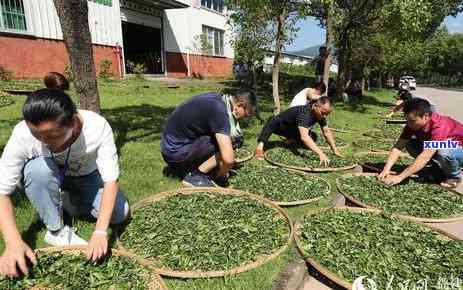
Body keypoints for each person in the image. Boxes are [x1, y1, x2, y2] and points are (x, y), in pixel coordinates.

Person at [0, 89, 130, 278]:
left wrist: (101, 232)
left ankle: (66, 202)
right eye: (36, 135)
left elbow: (110, 180)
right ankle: (56, 230)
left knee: (121, 213)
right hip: (45, 175)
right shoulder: (22, 133)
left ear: (74, 122)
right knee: (37, 169)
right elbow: (2, 191)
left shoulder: (97, 127)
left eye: (52, 136)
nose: (43, 142)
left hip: (87, 177)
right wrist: (12, 241)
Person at [161, 91, 256, 187]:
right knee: (234, 142)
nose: (244, 118)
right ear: (239, 105)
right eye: (247, 115)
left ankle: (199, 167)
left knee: (227, 141)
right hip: (175, 153)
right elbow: (228, 160)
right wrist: (220, 175)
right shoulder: (220, 112)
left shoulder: (218, 98)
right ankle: (196, 176)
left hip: (170, 147)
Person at [379, 98, 463, 188]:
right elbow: (398, 147)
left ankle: (454, 177)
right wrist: (386, 169)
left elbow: (425, 156)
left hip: (457, 148)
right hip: (439, 146)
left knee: (444, 152)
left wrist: (400, 177)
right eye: (407, 120)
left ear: (425, 116)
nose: (409, 124)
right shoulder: (411, 124)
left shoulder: (439, 126)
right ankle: (435, 169)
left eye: (413, 121)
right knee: (410, 144)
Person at [255, 97, 342, 166]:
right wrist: (321, 153)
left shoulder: (321, 115)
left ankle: (290, 140)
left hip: (292, 129)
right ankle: (260, 147)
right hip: (280, 127)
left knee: (313, 136)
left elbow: (326, 131)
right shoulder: (304, 113)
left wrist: (334, 149)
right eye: (323, 113)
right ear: (315, 105)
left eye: (327, 114)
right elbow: (304, 137)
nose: (324, 116)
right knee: (274, 120)